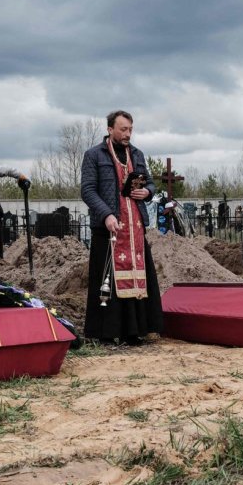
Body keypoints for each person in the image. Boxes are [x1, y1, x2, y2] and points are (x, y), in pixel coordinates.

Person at [80, 110, 163, 345]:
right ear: (110, 129)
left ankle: (134, 331)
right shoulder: (93, 155)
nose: (127, 134)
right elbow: (87, 190)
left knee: (139, 276)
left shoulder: (136, 154)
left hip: (135, 226)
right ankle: (107, 333)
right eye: (123, 129)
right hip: (109, 227)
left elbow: (151, 184)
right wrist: (106, 214)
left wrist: (147, 192)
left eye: (130, 129)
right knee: (108, 279)